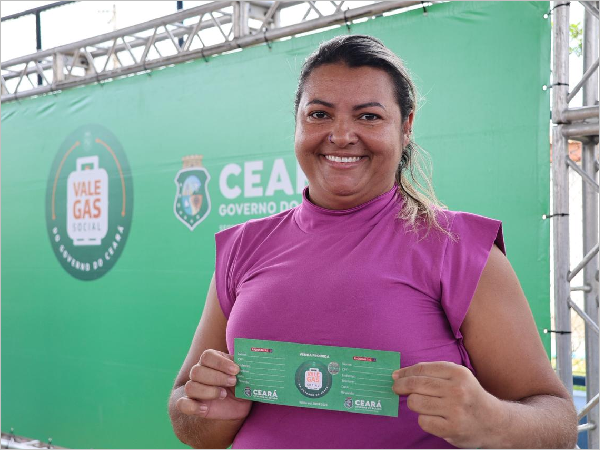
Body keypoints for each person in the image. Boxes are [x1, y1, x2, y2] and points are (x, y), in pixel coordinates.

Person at [168, 35, 578, 448]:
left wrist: (492, 421)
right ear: (297, 123)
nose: (341, 135)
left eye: (368, 116)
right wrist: (207, 412)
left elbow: (558, 422)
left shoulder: (457, 247)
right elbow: (187, 415)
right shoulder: (243, 246)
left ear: (406, 126)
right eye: (319, 114)